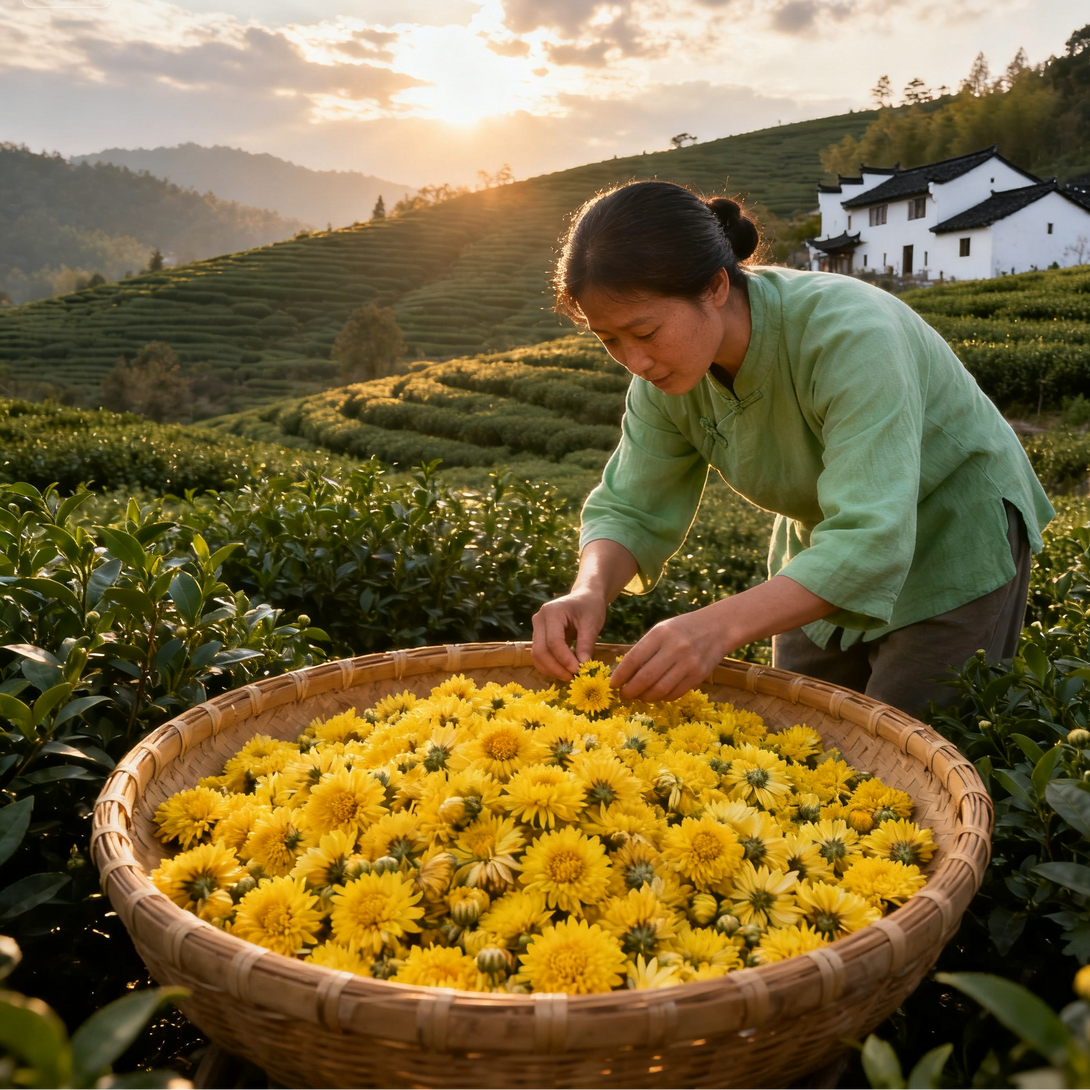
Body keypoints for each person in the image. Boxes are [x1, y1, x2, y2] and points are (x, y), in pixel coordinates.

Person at [530, 180, 1054, 719]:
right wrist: (588, 590)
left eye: (644, 331)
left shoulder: (850, 335)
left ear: (713, 287)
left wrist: (715, 626)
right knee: (801, 737)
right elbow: (632, 504)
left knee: (910, 744)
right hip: (824, 542)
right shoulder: (663, 379)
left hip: (950, 532)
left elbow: (872, 537)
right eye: (610, 339)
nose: (634, 361)